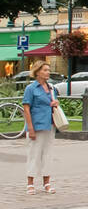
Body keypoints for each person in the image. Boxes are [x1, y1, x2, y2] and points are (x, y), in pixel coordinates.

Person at [21, 60, 60, 195]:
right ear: (37, 72)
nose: (47, 72)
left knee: (48, 154)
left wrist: (56, 103)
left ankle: (47, 182)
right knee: (34, 154)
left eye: (48, 70)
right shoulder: (31, 89)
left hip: (49, 125)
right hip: (36, 125)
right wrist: (30, 128)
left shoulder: (51, 88)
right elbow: (26, 108)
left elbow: (53, 104)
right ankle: (30, 183)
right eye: (45, 70)